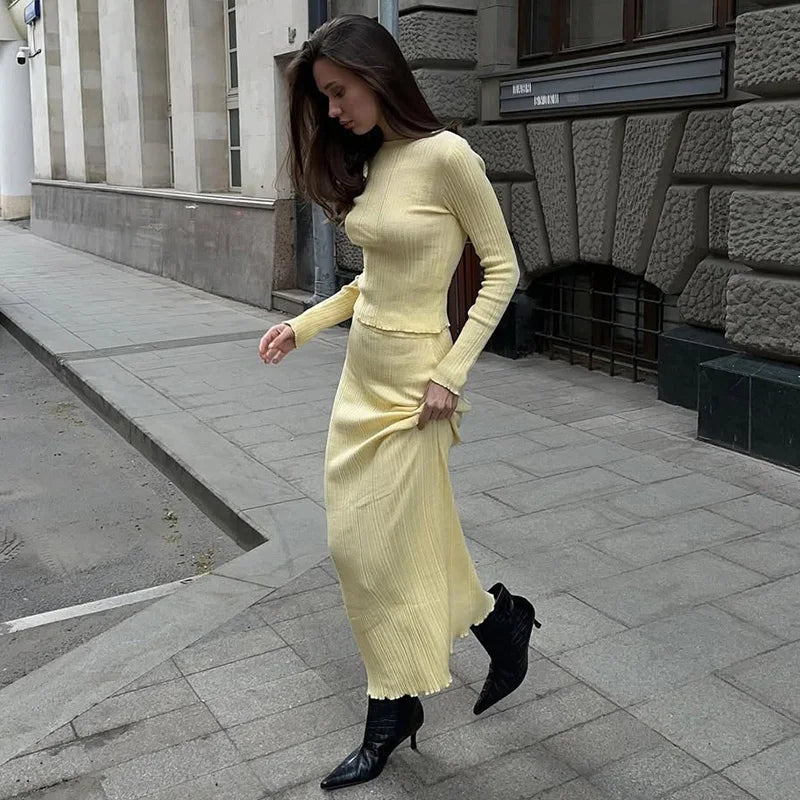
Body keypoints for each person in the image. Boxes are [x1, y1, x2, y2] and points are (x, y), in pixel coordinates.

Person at [258, 13, 541, 791]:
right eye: (325, 99)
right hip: (361, 383)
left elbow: (503, 269)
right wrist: (303, 325)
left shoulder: (449, 157)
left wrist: (452, 371)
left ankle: (391, 712)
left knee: (370, 551)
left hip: (420, 392)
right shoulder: (375, 160)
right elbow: (369, 281)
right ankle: (500, 624)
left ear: (377, 76)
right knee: (400, 541)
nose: (336, 111)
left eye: (340, 93)